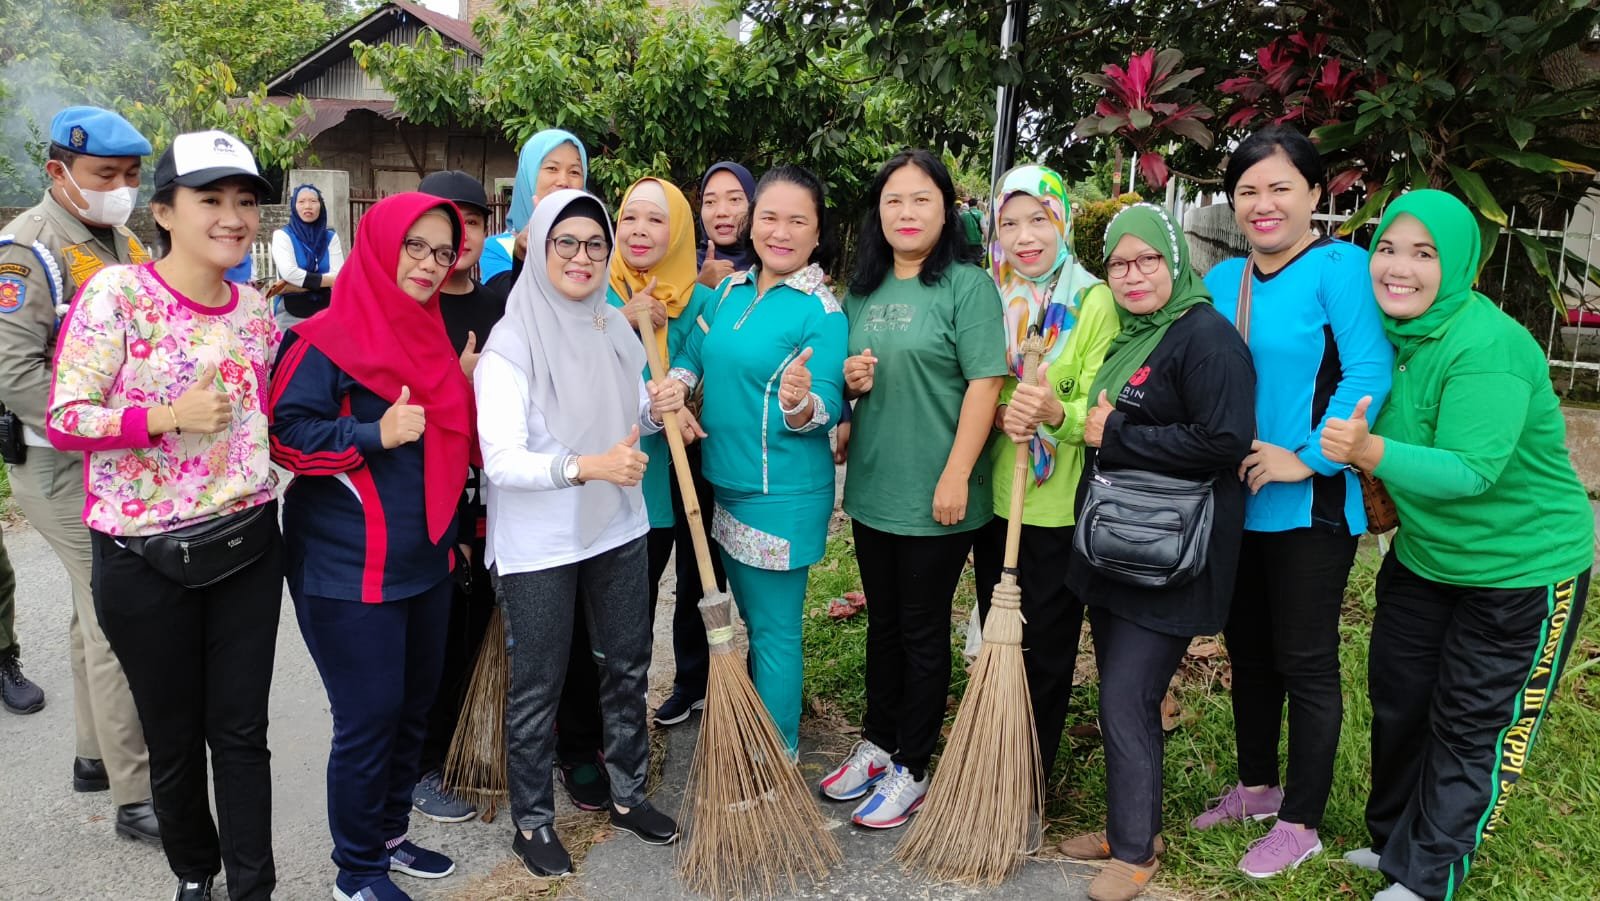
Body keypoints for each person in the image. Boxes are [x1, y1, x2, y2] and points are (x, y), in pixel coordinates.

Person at [1320, 190, 1594, 901]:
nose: (1399, 268)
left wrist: (1370, 449)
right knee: (1402, 701)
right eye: (1387, 248)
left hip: (1522, 570)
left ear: (1461, 265)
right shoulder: (1388, 335)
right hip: (1427, 559)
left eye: (1424, 253)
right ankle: (1393, 844)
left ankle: (1425, 874)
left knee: (1477, 722)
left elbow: (1471, 471)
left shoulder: (1489, 346)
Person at [48, 129, 284, 901]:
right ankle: (195, 871)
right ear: (165, 212)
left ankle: (254, 887)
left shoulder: (255, 312)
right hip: (143, 559)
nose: (232, 216)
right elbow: (66, 417)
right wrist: (163, 415)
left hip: (247, 544)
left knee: (242, 735)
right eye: (210, 199)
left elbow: (277, 412)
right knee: (175, 739)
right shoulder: (117, 294)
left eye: (245, 201)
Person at [1192, 125, 1395, 877]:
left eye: (1280, 186)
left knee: (1306, 659)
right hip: (1236, 501)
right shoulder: (1221, 284)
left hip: (1311, 504)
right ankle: (1256, 786)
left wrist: (1303, 456)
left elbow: (1370, 371)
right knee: (1249, 651)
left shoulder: (1341, 268)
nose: (1263, 203)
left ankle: (1302, 820)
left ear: (1316, 193)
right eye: (1248, 190)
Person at [270, 192, 475, 901]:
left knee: (413, 710)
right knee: (368, 720)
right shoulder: (320, 338)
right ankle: (356, 872)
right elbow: (286, 433)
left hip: (425, 561)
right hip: (347, 567)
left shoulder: (429, 335)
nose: (427, 263)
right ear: (380, 242)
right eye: (414, 245)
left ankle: (388, 837)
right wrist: (371, 435)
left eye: (442, 251)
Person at [477, 189, 681, 878]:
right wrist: (584, 467)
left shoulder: (613, 326)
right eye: (566, 241)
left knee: (626, 666)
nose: (583, 256)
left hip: (614, 528)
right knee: (537, 685)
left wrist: (660, 406)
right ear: (536, 246)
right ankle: (532, 822)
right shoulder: (512, 342)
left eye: (596, 243)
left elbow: (631, 422)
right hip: (539, 547)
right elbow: (501, 460)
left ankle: (627, 792)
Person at [1056, 203, 1255, 901]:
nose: (1133, 275)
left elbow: (1224, 442)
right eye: (1118, 263)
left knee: (1125, 696)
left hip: (1173, 553)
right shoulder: (1133, 336)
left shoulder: (1207, 340)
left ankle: (1135, 852)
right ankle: (1129, 825)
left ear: (1174, 259)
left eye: (1146, 260)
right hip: (1119, 544)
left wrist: (1116, 434)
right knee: (1123, 694)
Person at [820, 149, 1005, 829]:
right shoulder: (863, 289)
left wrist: (957, 472)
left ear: (946, 208)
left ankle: (914, 766)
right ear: (878, 211)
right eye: (893, 199)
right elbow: (844, 375)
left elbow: (987, 384)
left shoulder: (966, 286)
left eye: (921, 199)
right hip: (874, 487)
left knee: (925, 632)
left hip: (940, 493)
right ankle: (878, 739)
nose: (906, 212)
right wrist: (850, 386)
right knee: (886, 625)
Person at [0, 105, 157, 839]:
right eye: (105, 175)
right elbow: (14, 371)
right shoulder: (27, 250)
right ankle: (138, 793)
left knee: (85, 607)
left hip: (111, 458)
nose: (120, 187)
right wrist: (106, 429)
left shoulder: (120, 238)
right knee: (116, 617)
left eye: (130, 176)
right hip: (61, 462)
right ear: (57, 172)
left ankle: (95, 757)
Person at [665, 165, 848, 755]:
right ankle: (758, 726)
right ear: (752, 223)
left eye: (799, 221)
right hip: (724, 484)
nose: (781, 232)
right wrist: (675, 382)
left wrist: (801, 404)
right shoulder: (729, 292)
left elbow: (826, 400)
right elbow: (694, 350)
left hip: (781, 496)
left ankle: (777, 755)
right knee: (745, 618)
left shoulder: (820, 312)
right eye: (770, 217)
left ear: (818, 235)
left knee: (772, 633)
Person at [971, 164, 1118, 789]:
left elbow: (1103, 401)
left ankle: (1028, 777)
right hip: (996, 497)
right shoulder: (990, 295)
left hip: (1058, 504)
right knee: (997, 636)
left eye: (1038, 219)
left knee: (1048, 650)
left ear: (1061, 220)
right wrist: (999, 410)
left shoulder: (1093, 300)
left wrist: (1057, 412)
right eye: (1009, 223)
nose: (1025, 236)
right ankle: (993, 754)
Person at [605, 176, 723, 728]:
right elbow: (574, 353)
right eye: (630, 218)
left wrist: (678, 383)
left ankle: (693, 684)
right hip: (633, 468)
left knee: (701, 575)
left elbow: (701, 353)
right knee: (635, 589)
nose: (640, 231)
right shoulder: (599, 293)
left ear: (677, 231)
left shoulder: (703, 299)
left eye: (655, 220)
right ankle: (620, 712)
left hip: (694, 458)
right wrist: (620, 321)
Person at [409, 169, 504, 823]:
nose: (459, 238)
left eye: (471, 223)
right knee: (431, 637)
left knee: (479, 627)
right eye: (446, 226)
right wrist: (456, 377)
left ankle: (472, 747)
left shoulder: (501, 303)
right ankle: (421, 763)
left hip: (491, 489)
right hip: (425, 497)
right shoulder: (410, 304)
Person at [478, 129, 588, 285]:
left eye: (575, 172)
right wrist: (523, 254)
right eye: (552, 168)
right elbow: (512, 302)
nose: (563, 181)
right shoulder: (497, 249)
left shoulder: (595, 247)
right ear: (528, 175)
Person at [270, 183, 345, 330]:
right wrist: (327, 282)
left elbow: (339, 275)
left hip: (326, 310)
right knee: (290, 352)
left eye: (313, 201)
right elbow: (289, 272)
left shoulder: (330, 237)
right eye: (301, 201)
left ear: (320, 205)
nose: (308, 206)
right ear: (294, 206)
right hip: (291, 312)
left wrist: (295, 285)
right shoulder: (283, 236)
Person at [695, 161, 756, 288]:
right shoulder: (681, 266)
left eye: (734, 199)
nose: (721, 212)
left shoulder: (773, 265)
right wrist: (701, 286)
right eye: (710, 202)